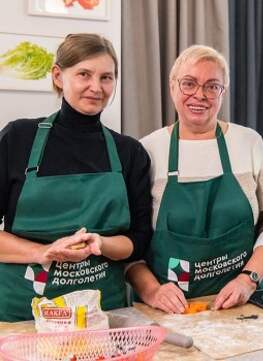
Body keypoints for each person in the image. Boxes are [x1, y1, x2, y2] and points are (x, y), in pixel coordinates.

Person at [126, 45, 263, 313]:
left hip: (245, 305)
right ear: (172, 87)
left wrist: (248, 279)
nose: (199, 95)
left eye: (212, 86)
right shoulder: (147, 151)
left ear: (223, 92)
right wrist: (152, 291)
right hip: (171, 311)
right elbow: (131, 243)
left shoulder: (248, 142)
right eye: (189, 83)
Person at [0, 33, 153, 321]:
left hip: (103, 314)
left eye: (106, 77)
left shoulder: (129, 152)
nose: (96, 87)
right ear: (58, 76)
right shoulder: (17, 139)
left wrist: (102, 243)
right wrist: (43, 251)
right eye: (84, 74)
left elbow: (139, 240)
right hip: (24, 315)